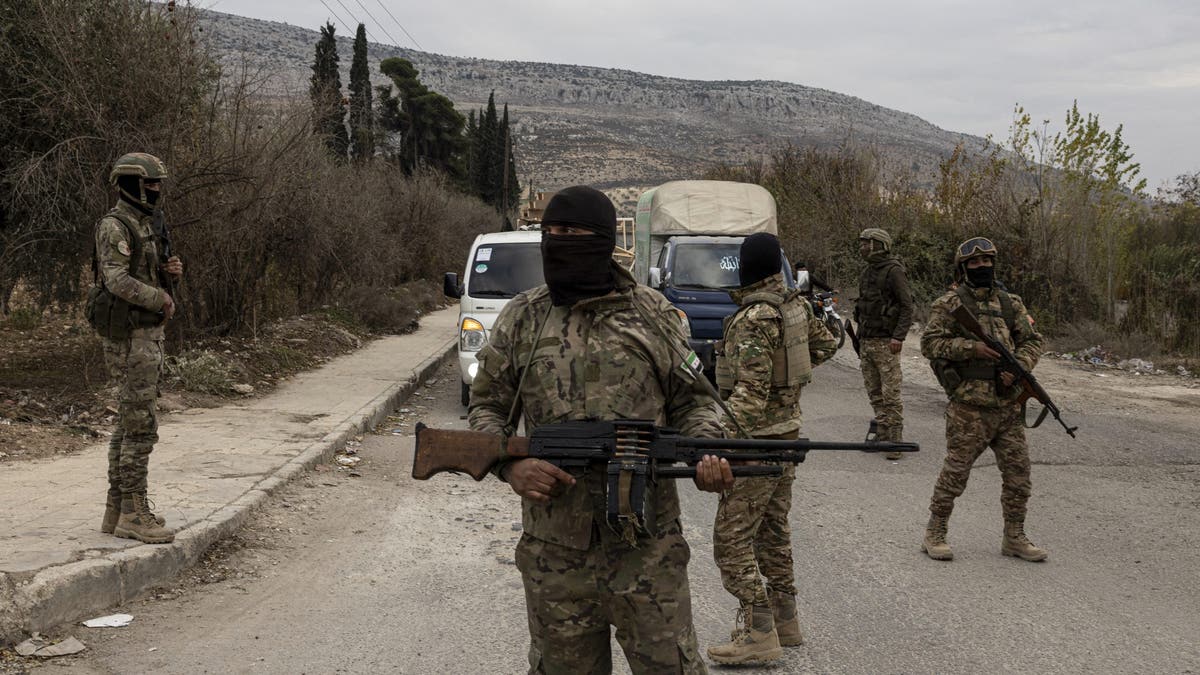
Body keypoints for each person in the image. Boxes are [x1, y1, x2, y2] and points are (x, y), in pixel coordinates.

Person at [468, 185, 735, 674]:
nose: (556, 242)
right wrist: (512, 465)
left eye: (570, 232)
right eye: (549, 232)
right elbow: (487, 408)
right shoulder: (523, 317)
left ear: (603, 241)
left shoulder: (654, 316)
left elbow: (696, 402)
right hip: (555, 554)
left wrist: (707, 453)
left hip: (647, 550)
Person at [707, 234, 838, 665]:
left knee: (731, 539)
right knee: (773, 531)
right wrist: (788, 382)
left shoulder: (753, 317)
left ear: (745, 268)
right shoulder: (794, 307)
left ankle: (758, 630)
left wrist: (717, 439)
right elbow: (824, 345)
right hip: (787, 435)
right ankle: (785, 619)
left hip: (756, 442)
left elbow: (749, 394)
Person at [920, 237, 1047, 562]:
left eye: (986, 261)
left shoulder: (1010, 303)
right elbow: (930, 343)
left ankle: (1014, 537)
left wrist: (1019, 366)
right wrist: (971, 348)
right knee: (955, 474)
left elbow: (1033, 340)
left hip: (1007, 406)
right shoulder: (949, 304)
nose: (982, 267)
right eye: (974, 263)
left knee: (1019, 477)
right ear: (963, 268)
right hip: (969, 408)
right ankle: (935, 533)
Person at [91, 152, 182, 544]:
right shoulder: (116, 226)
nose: (157, 190)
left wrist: (170, 273)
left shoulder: (146, 223)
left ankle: (116, 509)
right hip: (131, 337)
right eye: (151, 184)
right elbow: (117, 281)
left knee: (128, 422)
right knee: (141, 425)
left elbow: (144, 271)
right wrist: (160, 297)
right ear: (131, 184)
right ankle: (132, 512)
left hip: (144, 335)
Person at [852, 228, 914, 460]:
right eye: (862, 243)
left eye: (867, 243)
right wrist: (859, 340)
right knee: (874, 391)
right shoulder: (868, 271)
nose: (863, 248)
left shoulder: (894, 271)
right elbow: (864, 308)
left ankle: (895, 440)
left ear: (880, 245)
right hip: (867, 340)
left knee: (891, 393)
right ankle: (883, 430)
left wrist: (898, 336)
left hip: (886, 342)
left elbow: (907, 306)